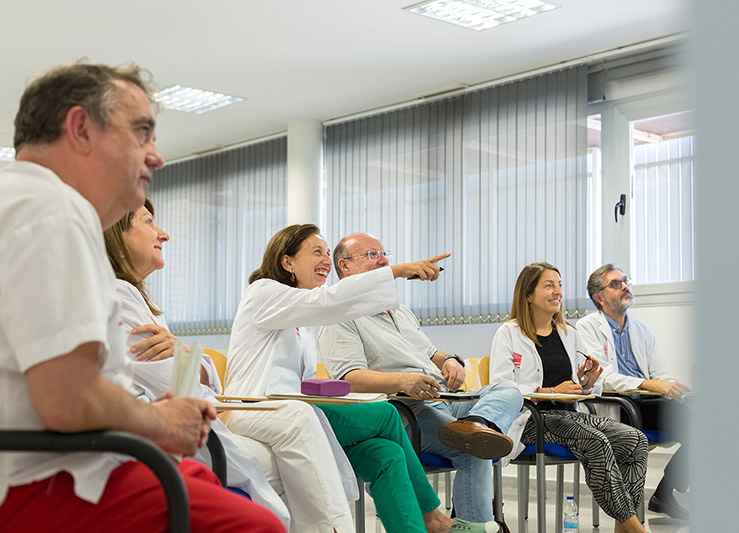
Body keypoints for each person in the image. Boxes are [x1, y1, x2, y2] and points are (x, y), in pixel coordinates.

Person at [0, 62, 282, 531]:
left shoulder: (23, 201)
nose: (156, 156)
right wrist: (162, 422)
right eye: (142, 133)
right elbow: (68, 401)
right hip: (43, 479)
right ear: (80, 128)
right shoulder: (53, 210)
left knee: (214, 483)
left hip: (52, 459)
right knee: (257, 526)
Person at [225, 224, 499, 533]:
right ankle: (434, 520)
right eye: (317, 252)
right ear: (287, 262)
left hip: (291, 404)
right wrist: (396, 270)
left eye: (328, 253)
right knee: (385, 413)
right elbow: (329, 301)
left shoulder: (300, 315)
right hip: (256, 406)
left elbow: (304, 373)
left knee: (388, 454)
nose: (327, 260)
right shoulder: (264, 293)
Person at [104, 197, 312, 529]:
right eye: (147, 222)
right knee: (281, 480)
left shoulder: (136, 299)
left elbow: (208, 378)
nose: (164, 234)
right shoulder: (116, 296)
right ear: (115, 234)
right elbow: (182, 386)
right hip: (167, 442)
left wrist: (186, 355)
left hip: (184, 431)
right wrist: (189, 360)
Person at [319, 233, 523, 525]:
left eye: (384, 253)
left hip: (443, 399)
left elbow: (430, 353)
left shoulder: (400, 310)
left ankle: (476, 426)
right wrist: (402, 381)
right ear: (346, 266)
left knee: (509, 389)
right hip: (407, 409)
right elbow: (348, 378)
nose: (385, 260)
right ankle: (473, 442)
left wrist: (449, 360)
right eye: (373, 255)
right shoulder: (340, 314)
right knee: (475, 452)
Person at [490, 262, 650, 533]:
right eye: (549, 285)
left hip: (568, 416)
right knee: (596, 442)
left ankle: (623, 527)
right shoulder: (509, 333)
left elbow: (580, 384)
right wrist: (551, 392)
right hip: (531, 420)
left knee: (636, 441)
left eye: (560, 285)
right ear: (528, 294)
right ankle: (634, 528)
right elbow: (501, 388)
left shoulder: (568, 333)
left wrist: (586, 383)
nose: (558, 292)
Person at [577, 264, 691, 519]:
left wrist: (675, 389)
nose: (625, 286)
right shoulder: (586, 327)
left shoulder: (641, 329)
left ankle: (665, 493)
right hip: (620, 406)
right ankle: (666, 495)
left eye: (626, 280)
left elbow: (661, 375)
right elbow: (602, 377)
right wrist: (651, 385)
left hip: (647, 404)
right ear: (599, 297)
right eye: (615, 284)